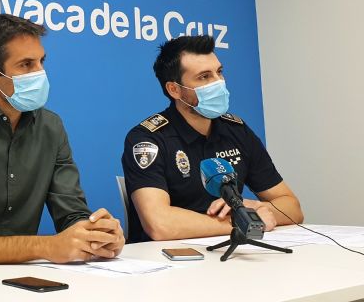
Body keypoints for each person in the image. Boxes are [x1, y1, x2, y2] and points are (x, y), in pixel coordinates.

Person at [0, 14, 124, 264]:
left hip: (24, 275)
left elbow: (72, 214)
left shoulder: (51, 126)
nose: (41, 73)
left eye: (41, 61)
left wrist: (95, 235)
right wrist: (45, 246)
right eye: (26, 65)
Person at [122, 35, 303, 242]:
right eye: (204, 77)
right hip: (168, 256)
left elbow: (293, 207)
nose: (218, 82)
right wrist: (241, 221)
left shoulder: (237, 130)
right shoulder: (148, 139)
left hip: (232, 249)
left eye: (219, 72)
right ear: (174, 89)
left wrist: (257, 208)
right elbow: (160, 224)